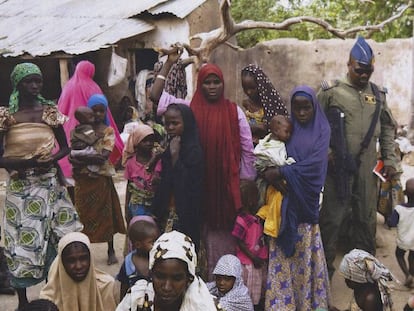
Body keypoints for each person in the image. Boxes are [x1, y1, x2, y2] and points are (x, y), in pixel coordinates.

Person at [150, 49, 256, 279]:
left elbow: (247, 150)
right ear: (200, 84)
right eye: (206, 82)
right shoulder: (188, 108)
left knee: (220, 240)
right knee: (194, 236)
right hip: (192, 188)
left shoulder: (233, 111)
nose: (211, 87)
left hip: (222, 189)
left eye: (216, 82)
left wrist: (246, 184)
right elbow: (156, 96)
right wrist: (168, 63)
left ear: (223, 84)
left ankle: (219, 286)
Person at [0, 62, 84, 310]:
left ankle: (52, 295)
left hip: (49, 185)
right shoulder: (7, 117)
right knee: (20, 243)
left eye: (38, 81)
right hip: (20, 188)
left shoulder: (50, 112)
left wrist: (52, 160)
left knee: (57, 237)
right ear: (18, 84)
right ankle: (23, 302)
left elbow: (66, 147)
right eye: (29, 81)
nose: (34, 86)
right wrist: (26, 162)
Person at [317, 37, 399, 279]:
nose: (364, 75)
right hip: (337, 168)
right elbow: (315, 125)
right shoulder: (331, 91)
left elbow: (387, 128)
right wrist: (326, 154)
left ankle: (365, 278)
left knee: (366, 220)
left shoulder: (378, 94)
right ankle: (323, 278)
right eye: (360, 70)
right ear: (349, 64)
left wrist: (391, 161)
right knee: (332, 220)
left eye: (369, 70)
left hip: (366, 168)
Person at [262, 85, 331, 310]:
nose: (301, 113)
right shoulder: (286, 128)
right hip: (283, 206)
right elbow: (271, 157)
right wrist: (270, 173)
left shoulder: (322, 129)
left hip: (307, 205)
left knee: (304, 259)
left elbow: (315, 166)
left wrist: (282, 172)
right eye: (297, 108)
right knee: (283, 256)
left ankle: (306, 303)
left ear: (314, 107)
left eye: (306, 108)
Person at [70, 93, 126, 265]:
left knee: (106, 215)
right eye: (94, 111)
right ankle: (84, 250)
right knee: (83, 216)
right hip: (82, 181)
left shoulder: (108, 131)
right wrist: (80, 157)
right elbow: (72, 153)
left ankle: (110, 250)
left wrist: (80, 157)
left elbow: (103, 157)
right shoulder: (79, 132)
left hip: (101, 180)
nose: (97, 115)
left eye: (102, 111)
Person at [57, 60, 123, 194]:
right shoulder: (93, 87)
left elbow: (61, 109)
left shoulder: (68, 86)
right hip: (91, 132)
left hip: (70, 130)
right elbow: (103, 112)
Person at [116, 230, 217, 311]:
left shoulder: (205, 306)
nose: (167, 287)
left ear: (189, 279)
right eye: (160, 276)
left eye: (177, 278)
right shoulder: (136, 299)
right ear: (151, 274)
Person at [152, 104, 203, 249]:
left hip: (186, 211)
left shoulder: (193, 149)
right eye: (167, 124)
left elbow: (190, 182)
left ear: (186, 123)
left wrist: (175, 156)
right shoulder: (171, 144)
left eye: (175, 123)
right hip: (168, 208)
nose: (170, 127)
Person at [40, 232, 120, 311]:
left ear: (90, 259)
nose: (78, 266)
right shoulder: (49, 299)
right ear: (62, 263)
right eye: (71, 260)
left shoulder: (107, 288)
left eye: (83, 258)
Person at [254, 114, 295, 237]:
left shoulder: (274, 140)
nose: (289, 135)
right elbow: (277, 160)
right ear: (276, 131)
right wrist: (289, 164)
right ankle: (268, 222)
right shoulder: (274, 145)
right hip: (266, 179)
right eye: (287, 132)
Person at [231, 180, 267, 309]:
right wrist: (252, 257)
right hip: (248, 263)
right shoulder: (242, 220)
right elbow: (239, 242)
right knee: (249, 292)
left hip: (257, 261)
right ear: (251, 200)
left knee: (258, 292)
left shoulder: (256, 218)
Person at [122, 124, 162, 222]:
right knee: (140, 228)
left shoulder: (159, 159)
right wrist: (127, 208)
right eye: (144, 141)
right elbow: (129, 186)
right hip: (138, 204)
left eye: (151, 140)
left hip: (155, 202)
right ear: (136, 142)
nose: (149, 143)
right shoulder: (130, 163)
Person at [241, 64, 288, 146]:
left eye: (252, 88)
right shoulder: (246, 104)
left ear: (261, 86)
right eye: (245, 88)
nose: (248, 92)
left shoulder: (273, 104)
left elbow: (280, 130)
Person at [116, 218, 159, 298]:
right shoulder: (128, 262)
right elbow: (124, 286)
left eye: (156, 240)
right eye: (151, 242)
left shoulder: (158, 259)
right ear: (138, 245)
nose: (156, 245)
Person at [387, 177, 414, 288]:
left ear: (405, 193)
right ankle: (412, 274)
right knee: (412, 257)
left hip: (403, 240)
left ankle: (407, 275)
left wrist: (388, 219)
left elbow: (392, 224)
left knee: (399, 255)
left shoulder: (399, 209)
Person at [70, 106, 101, 177]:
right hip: (83, 151)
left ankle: (77, 170)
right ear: (83, 120)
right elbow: (91, 140)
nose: (94, 117)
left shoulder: (76, 128)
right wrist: (98, 136)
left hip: (74, 152)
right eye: (90, 116)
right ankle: (93, 172)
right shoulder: (87, 128)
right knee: (96, 153)